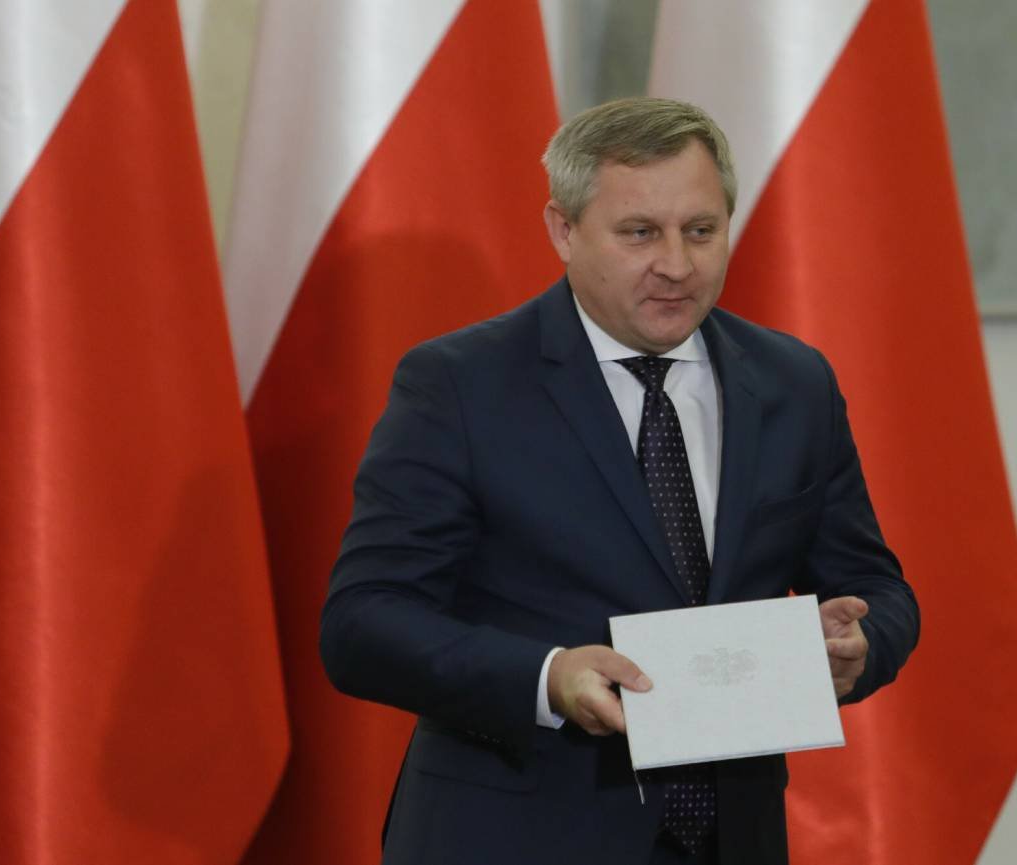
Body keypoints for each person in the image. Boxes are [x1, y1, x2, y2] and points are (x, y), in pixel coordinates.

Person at [319, 97, 919, 865]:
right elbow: (363, 623)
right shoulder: (460, 385)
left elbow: (877, 585)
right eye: (640, 232)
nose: (677, 264)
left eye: (700, 230)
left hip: (732, 838)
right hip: (516, 838)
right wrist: (547, 677)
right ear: (564, 230)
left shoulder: (794, 382)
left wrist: (862, 641)